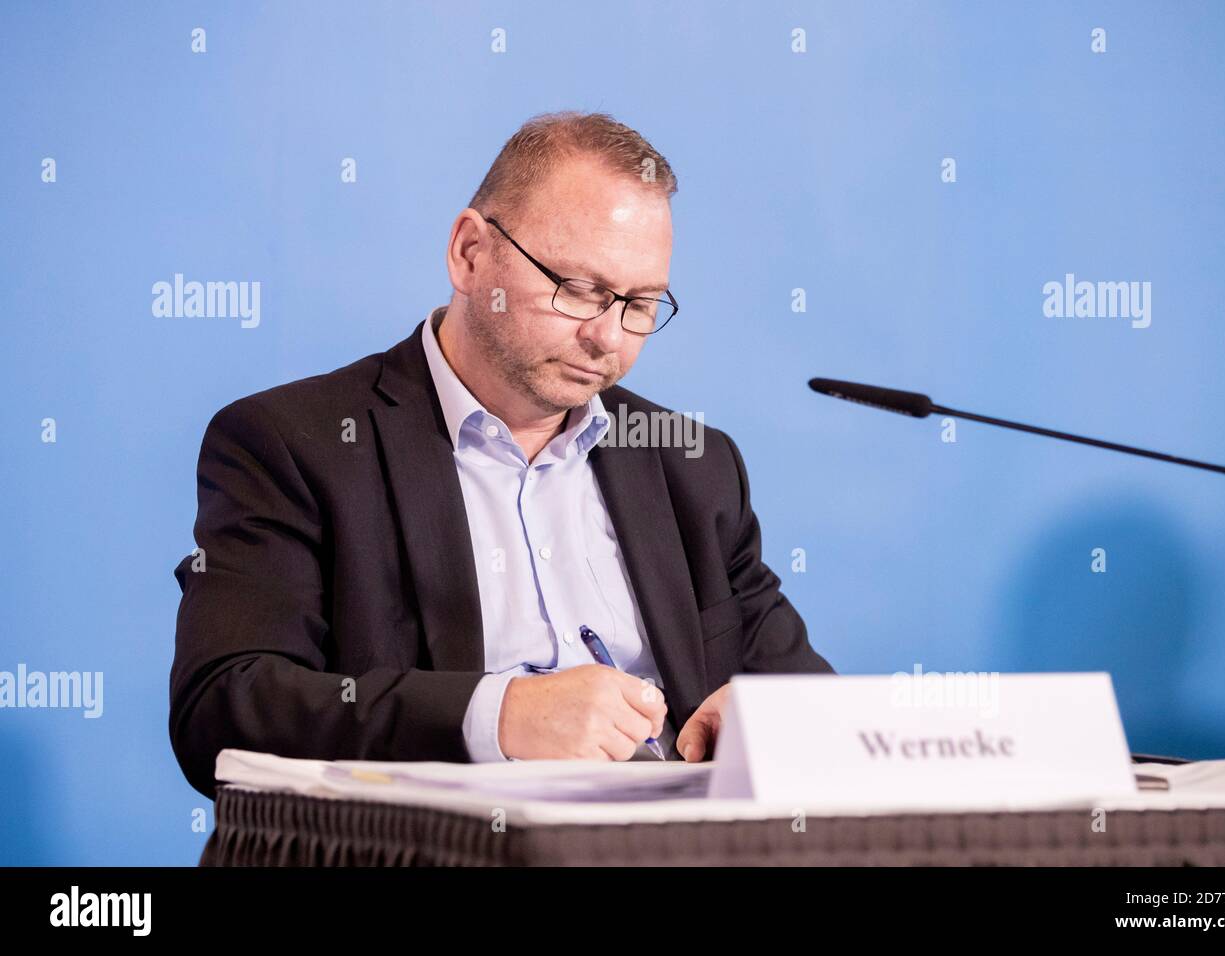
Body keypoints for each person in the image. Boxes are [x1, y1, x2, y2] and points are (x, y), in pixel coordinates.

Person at [169, 111, 833, 799]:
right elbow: (223, 706)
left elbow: (812, 700)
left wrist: (774, 723)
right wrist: (500, 714)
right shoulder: (293, 444)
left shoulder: (692, 463)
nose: (609, 338)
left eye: (640, 304)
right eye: (579, 289)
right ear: (469, 253)